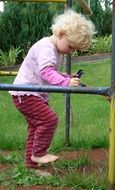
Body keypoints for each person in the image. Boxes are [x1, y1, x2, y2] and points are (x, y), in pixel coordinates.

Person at [9, 9, 95, 170]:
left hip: (29, 94)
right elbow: (46, 72)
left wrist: (66, 76)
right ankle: (39, 154)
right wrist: (65, 82)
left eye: (74, 50)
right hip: (26, 93)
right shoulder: (47, 47)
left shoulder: (53, 48)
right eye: (70, 47)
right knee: (49, 120)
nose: (70, 51)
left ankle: (31, 165)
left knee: (35, 128)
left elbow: (50, 71)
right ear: (61, 33)